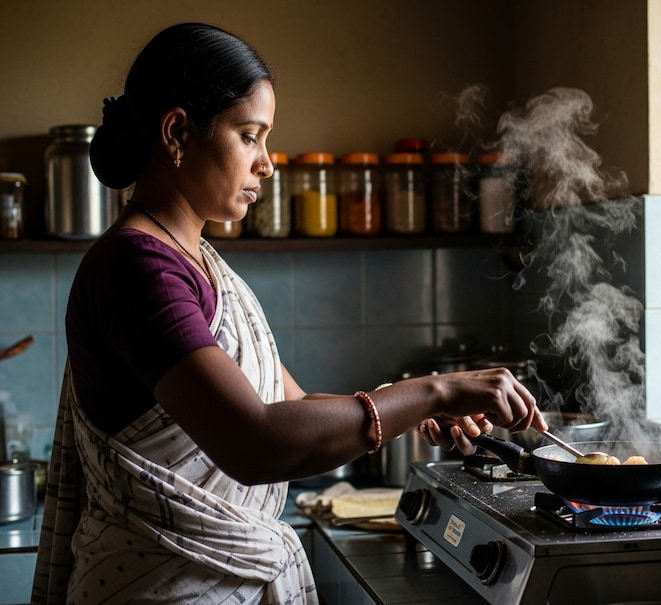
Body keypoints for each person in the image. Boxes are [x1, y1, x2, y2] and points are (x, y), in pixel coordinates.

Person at [31, 22, 546, 605]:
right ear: (177, 132)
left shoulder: (192, 258)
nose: (267, 164)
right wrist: (434, 393)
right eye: (249, 135)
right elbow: (256, 442)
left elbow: (290, 408)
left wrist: (409, 409)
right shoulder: (138, 269)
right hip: (161, 587)